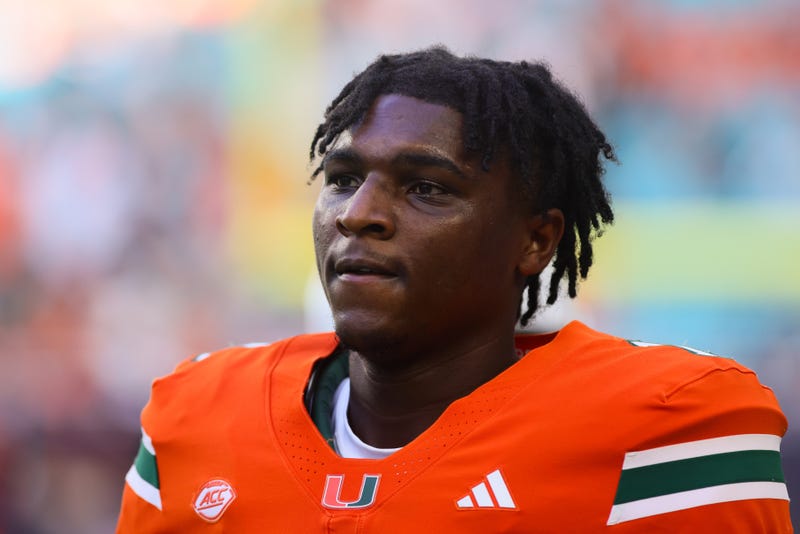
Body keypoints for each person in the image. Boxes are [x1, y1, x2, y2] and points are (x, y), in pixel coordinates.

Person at [116, 47, 792, 532]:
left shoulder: (667, 422)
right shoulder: (195, 414)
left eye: (426, 188)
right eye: (343, 179)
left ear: (536, 241)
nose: (359, 214)